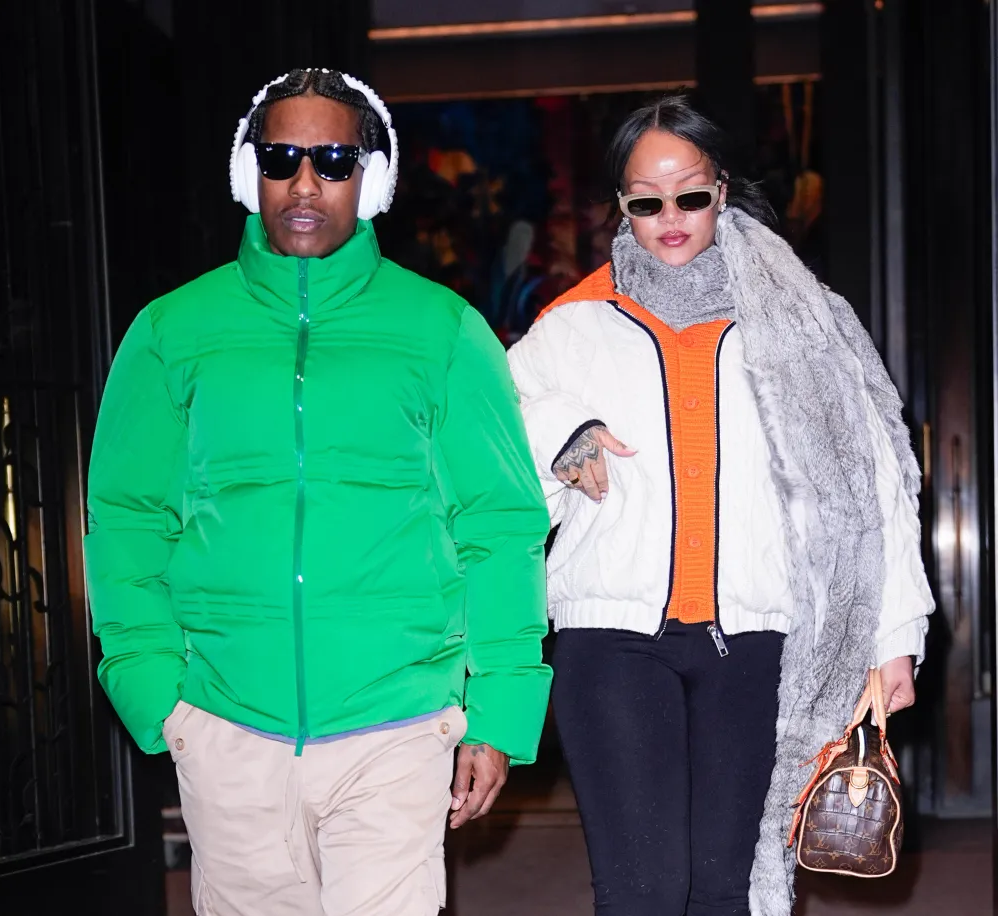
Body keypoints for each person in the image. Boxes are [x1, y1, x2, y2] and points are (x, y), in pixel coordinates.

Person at [84, 67, 551, 916]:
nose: (305, 183)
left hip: (397, 722)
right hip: (226, 723)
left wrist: (500, 709)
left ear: (372, 181)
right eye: (282, 158)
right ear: (246, 173)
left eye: (334, 161)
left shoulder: (442, 330)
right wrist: (154, 691)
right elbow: (125, 518)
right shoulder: (170, 331)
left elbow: (499, 525)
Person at [507, 92, 933, 916]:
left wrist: (893, 636)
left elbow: (876, 480)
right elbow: (499, 441)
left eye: (691, 195)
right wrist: (564, 433)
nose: (671, 217)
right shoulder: (574, 325)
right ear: (621, 206)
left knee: (723, 892)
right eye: (646, 201)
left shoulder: (804, 322)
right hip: (613, 640)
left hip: (758, 643)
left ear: (723, 191)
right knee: (643, 891)